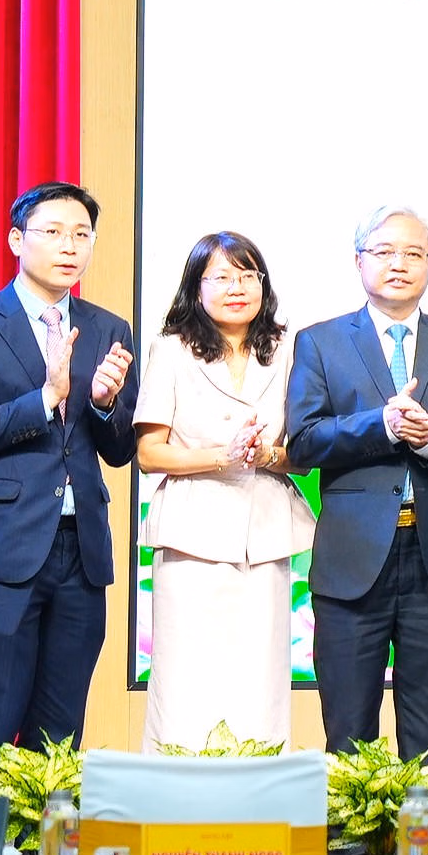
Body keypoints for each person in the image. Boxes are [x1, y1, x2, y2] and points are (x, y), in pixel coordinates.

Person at [0, 182, 138, 855]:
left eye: (81, 234)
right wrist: (47, 396)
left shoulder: (109, 329)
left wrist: (104, 403)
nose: (69, 246)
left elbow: (118, 449)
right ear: (16, 240)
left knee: (62, 722)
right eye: (52, 232)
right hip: (4, 549)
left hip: (82, 550)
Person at [286, 206, 428, 765]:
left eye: (414, 253)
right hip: (352, 561)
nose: (399, 264)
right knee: (348, 728)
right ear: (358, 260)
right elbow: (302, 442)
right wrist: (379, 426)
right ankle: (351, 826)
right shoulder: (320, 342)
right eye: (384, 252)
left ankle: (423, 824)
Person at [133, 231, 315, 750]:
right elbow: (149, 454)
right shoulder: (171, 350)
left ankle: (260, 790)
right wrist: (223, 456)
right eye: (222, 277)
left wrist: (268, 455)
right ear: (196, 287)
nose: (237, 287)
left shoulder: (290, 350)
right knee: (185, 679)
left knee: (261, 681)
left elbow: (305, 449)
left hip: (265, 533)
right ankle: (177, 790)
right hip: (190, 533)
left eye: (248, 275)